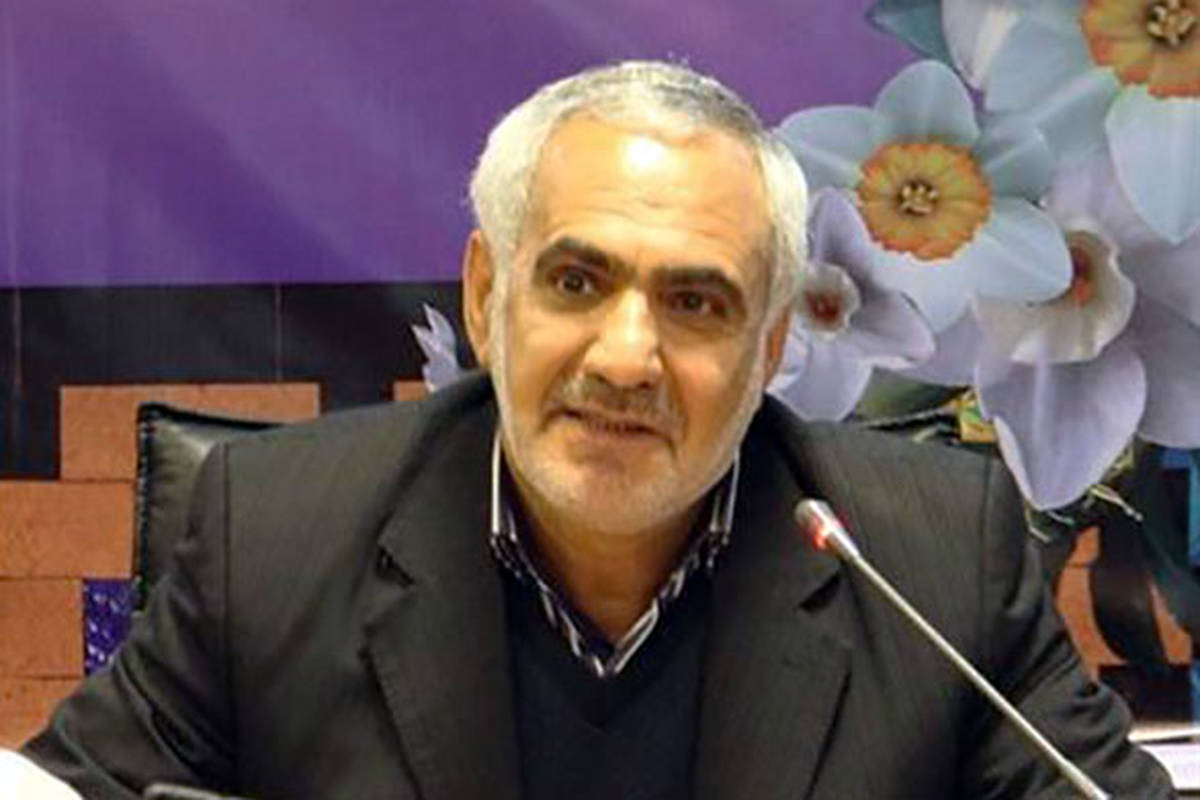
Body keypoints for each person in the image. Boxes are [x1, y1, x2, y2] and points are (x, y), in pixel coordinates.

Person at [13, 61, 1172, 798]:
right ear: (485, 297)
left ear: (771, 346)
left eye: (697, 302)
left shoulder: (931, 558)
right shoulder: (273, 536)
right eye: (575, 282)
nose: (625, 356)